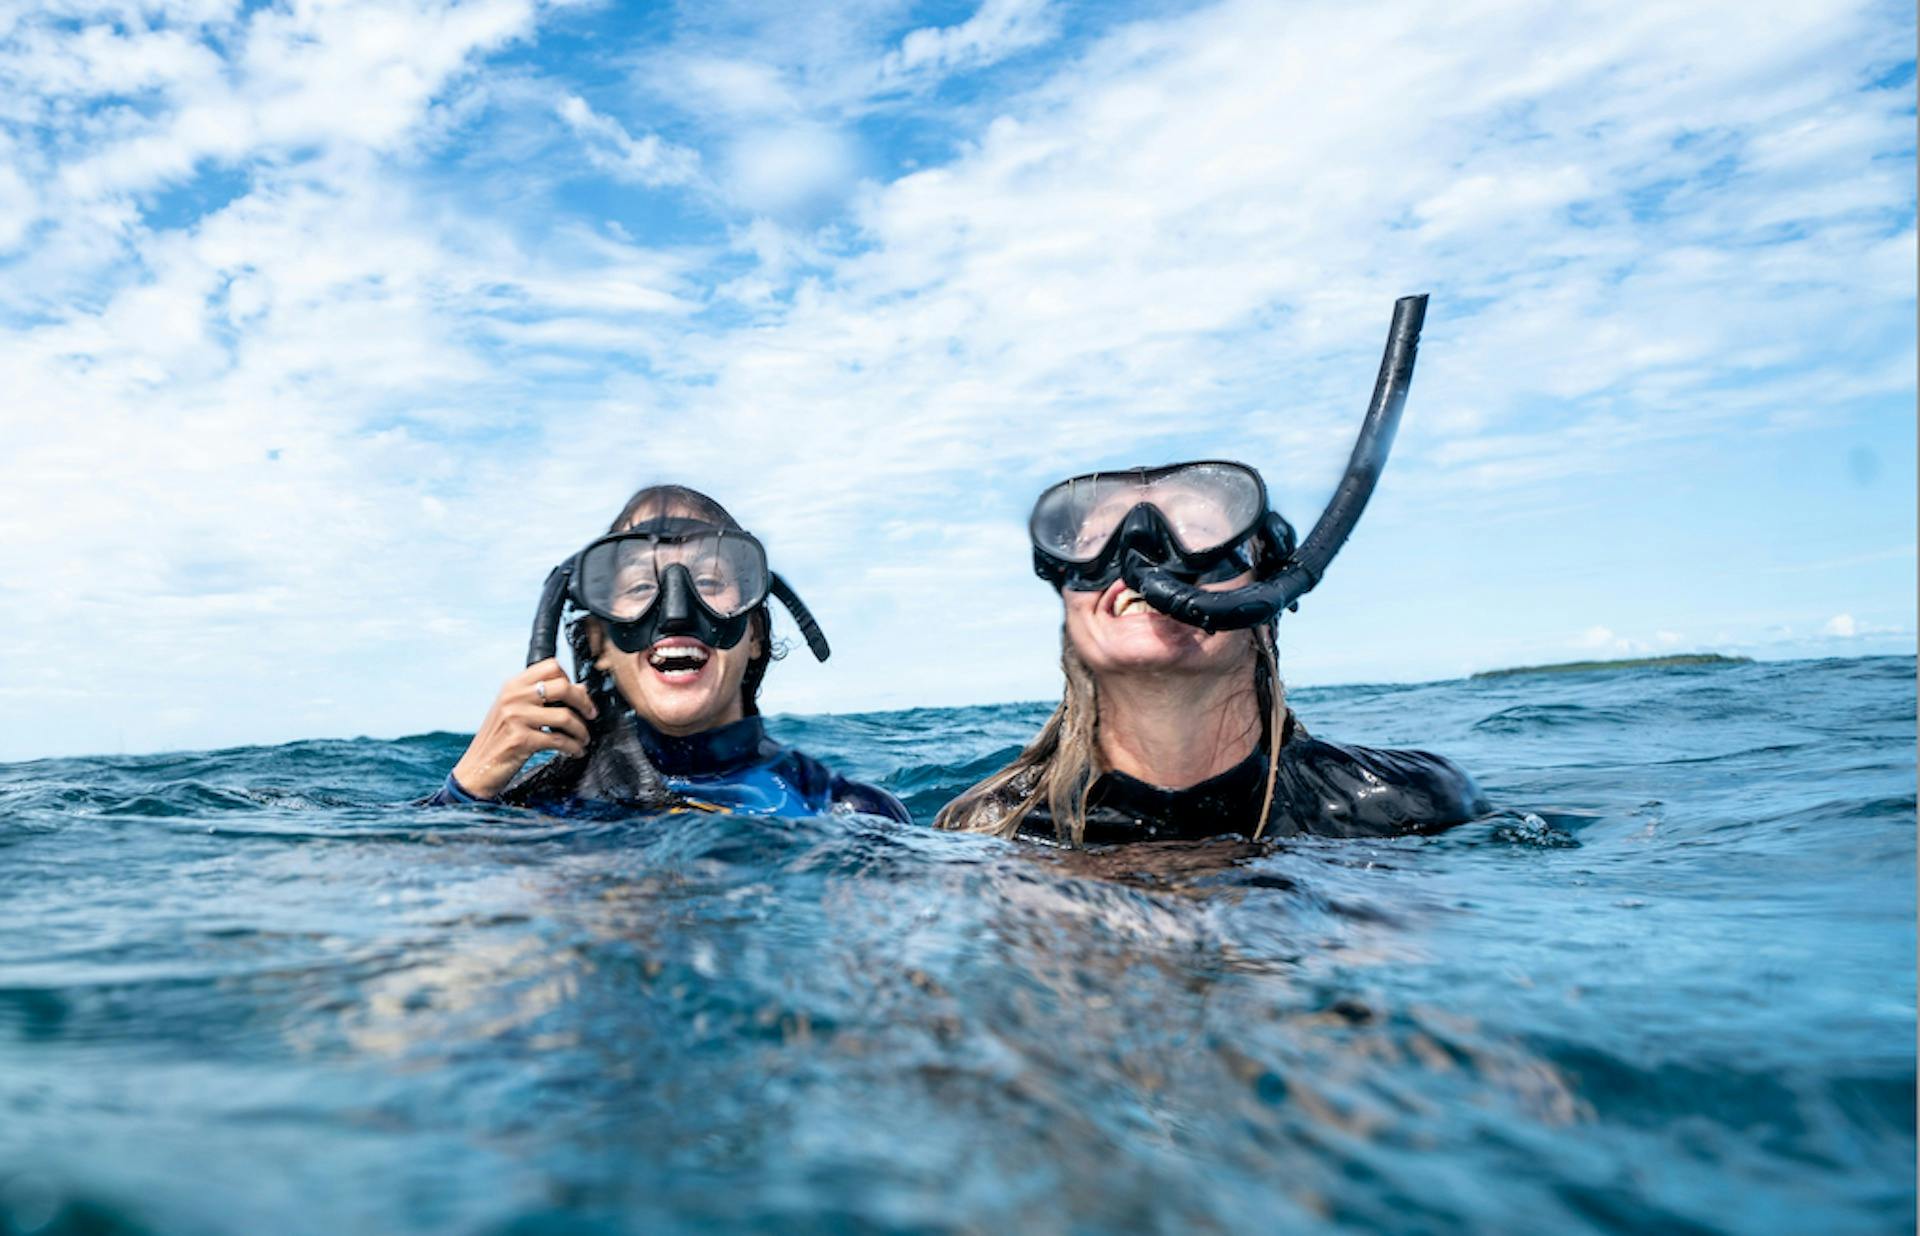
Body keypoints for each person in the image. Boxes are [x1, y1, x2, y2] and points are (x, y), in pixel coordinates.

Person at [934, 459, 1487, 846]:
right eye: (1096, 540)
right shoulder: (989, 829)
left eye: (1197, 532)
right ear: (1071, 607)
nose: (1142, 555)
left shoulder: (1404, 804)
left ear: (1270, 595)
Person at [429, 485, 909, 823]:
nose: (676, 615)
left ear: (754, 633)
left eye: (710, 581)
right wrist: (465, 788)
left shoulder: (846, 812)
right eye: (641, 586)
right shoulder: (532, 807)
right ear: (599, 643)